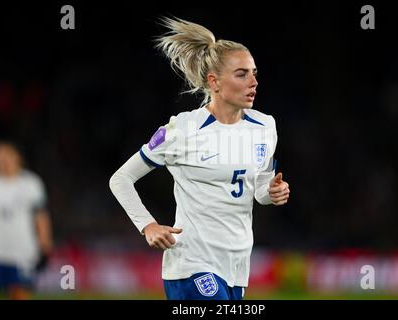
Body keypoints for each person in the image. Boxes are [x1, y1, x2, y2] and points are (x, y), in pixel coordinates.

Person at [109, 17, 290, 300]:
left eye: (254, 73)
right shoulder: (182, 129)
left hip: (236, 265)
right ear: (214, 82)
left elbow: (259, 191)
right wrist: (148, 225)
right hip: (191, 265)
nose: (254, 82)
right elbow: (121, 179)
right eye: (242, 74)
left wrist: (273, 192)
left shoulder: (265, 126)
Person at [0, 141, 53, 299]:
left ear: (17, 157)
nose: (2, 159)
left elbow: (41, 216)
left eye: (7, 155)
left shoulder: (31, 183)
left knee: (20, 293)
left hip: (22, 252)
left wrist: (45, 243)